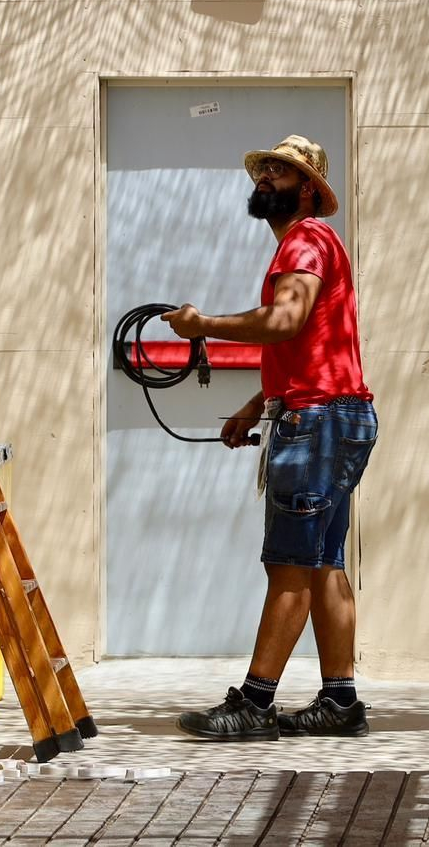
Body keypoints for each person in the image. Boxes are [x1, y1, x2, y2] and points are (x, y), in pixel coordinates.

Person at [160, 134, 378, 740]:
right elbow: (309, 344)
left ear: (307, 188)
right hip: (338, 416)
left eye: (281, 172)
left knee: (289, 566)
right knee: (323, 565)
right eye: (264, 170)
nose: (266, 178)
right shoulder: (316, 244)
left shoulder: (305, 241)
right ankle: (340, 701)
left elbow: (285, 322)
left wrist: (202, 325)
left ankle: (255, 704)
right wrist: (259, 403)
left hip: (317, 424)